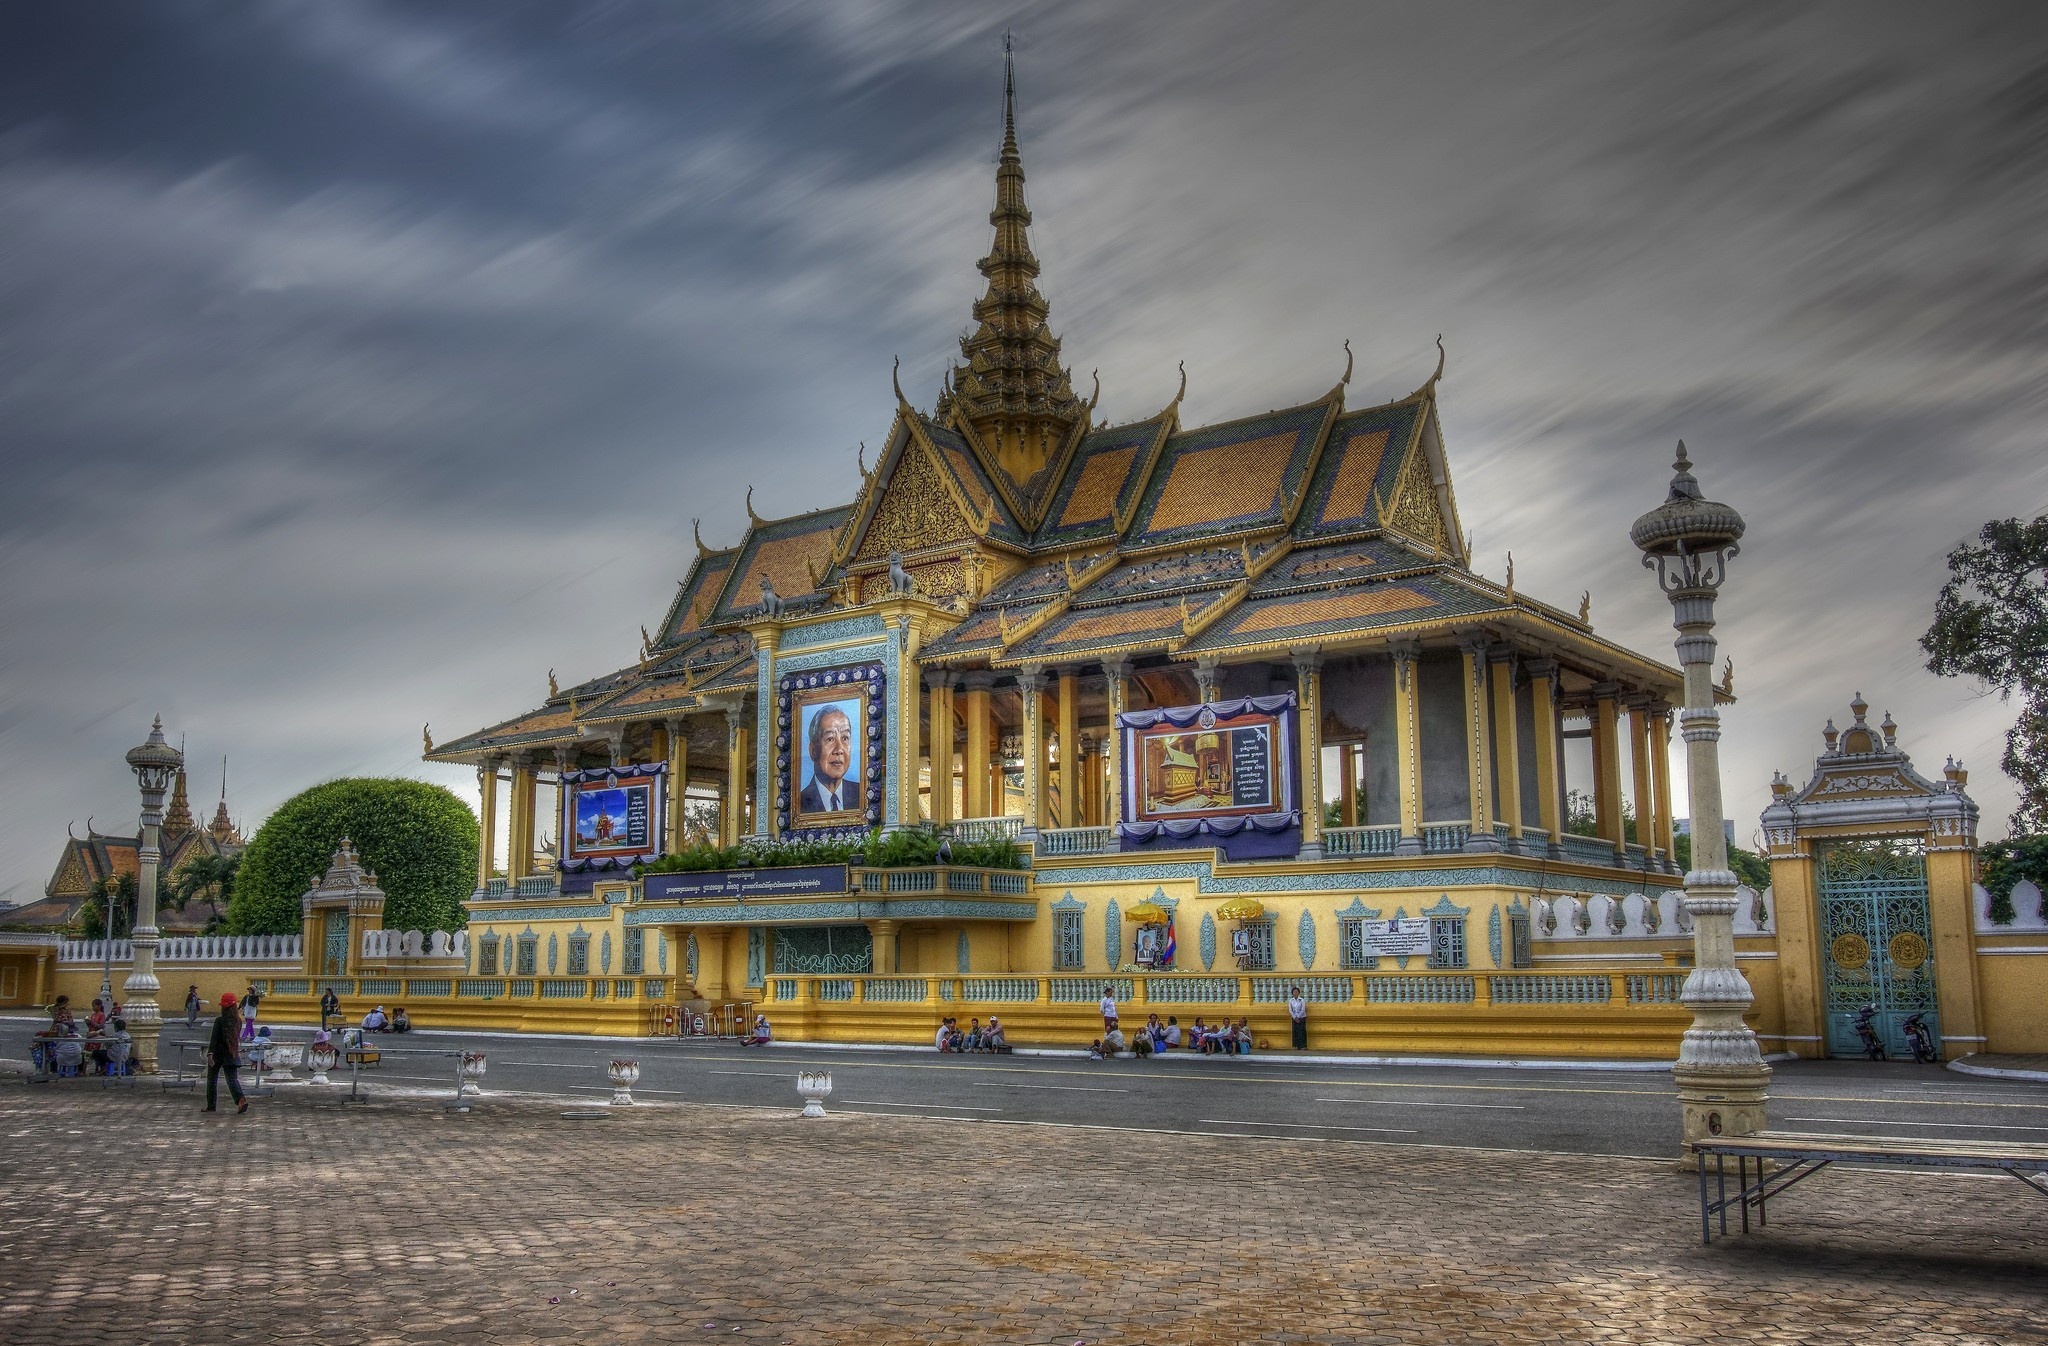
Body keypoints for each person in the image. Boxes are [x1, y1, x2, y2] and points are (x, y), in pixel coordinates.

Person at [798, 705, 857, 813]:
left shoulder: (862, 795)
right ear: (813, 750)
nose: (839, 749)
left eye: (845, 738)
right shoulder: (799, 803)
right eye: (830, 739)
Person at [205, 993, 248, 1114]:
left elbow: (214, 1039)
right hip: (231, 1053)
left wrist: (210, 1054)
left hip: (217, 1054)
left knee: (212, 1080)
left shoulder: (219, 1021)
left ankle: (211, 1105)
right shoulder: (238, 1021)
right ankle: (240, 1100)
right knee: (232, 1079)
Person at [1288, 986, 1309, 1051]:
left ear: (1299, 993)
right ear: (1292, 993)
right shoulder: (1291, 1001)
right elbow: (1290, 1010)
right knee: (1295, 1032)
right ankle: (1296, 1045)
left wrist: (1298, 1017)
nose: (1295, 993)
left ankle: (1303, 1046)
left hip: (1301, 1018)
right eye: (1294, 992)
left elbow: (1303, 1010)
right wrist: (1294, 1017)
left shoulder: (1302, 1000)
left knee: (1302, 1032)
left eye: (1296, 992)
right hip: (1294, 1018)